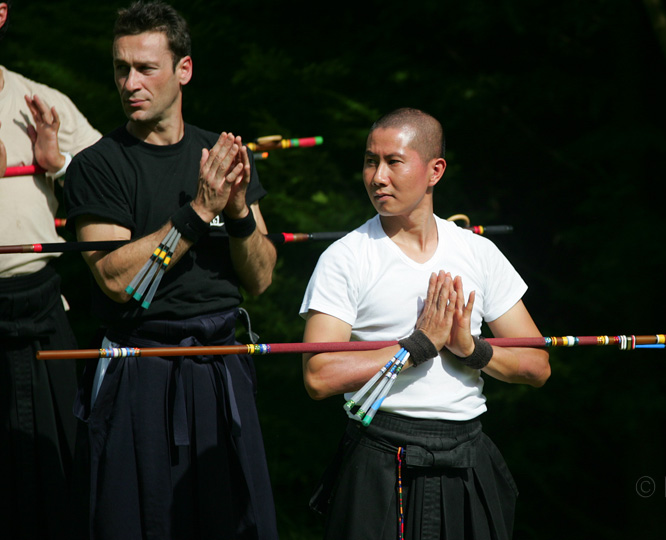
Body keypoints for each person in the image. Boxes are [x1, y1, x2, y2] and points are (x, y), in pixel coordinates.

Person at [63, 1, 279, 538]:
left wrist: (236, 215)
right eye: (120, 68)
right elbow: (116, 281)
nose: (129, 82)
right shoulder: (98, 165)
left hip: (220, 369)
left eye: (145, 67)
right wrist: (198, 212)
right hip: (141, 370)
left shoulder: (222, 155)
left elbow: (260, 278)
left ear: (183, 70)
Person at [299, 107, 552, 539]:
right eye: (369, 160)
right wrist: (416, 347)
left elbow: (536, 365)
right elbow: (319, 376)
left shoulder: (477, 253)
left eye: (393, 162)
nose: (377, 176)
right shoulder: (345, 257)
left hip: (468, 457)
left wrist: (474, 350)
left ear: (435, 170)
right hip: (380, 456)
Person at [0, 2, 102, 538]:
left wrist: (58, 162)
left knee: (61, 473)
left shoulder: (40, 103)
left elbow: (116, 194)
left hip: (41, 309)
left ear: (0, 13)